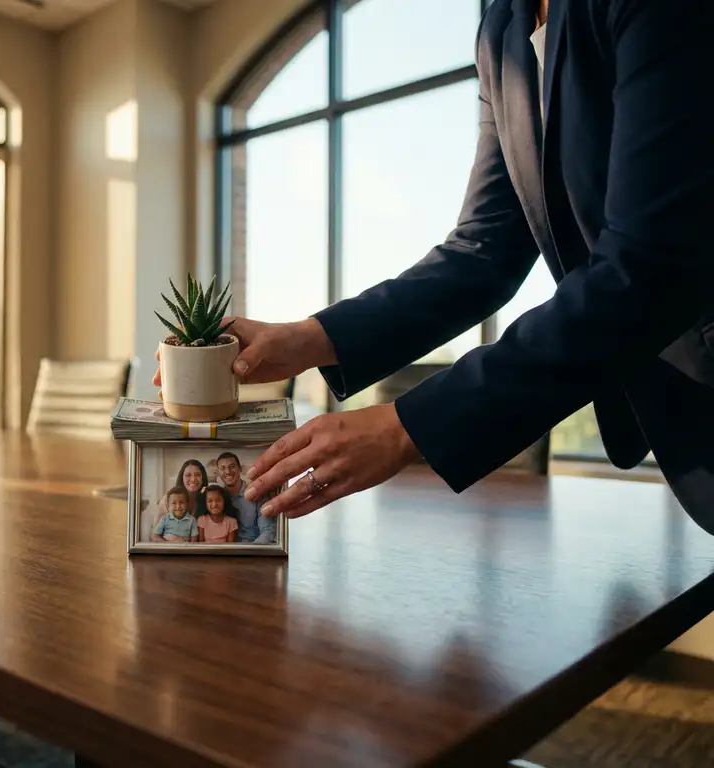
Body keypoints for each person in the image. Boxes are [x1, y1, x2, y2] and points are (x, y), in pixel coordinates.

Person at [156, 0, 714, 533]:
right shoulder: (501, 31)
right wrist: (305, 339)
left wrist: (408, 426)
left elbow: (647, 266)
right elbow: (484, 249)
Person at [215, 451, 276, 544]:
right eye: (223, 468)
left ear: (240, 469)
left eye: (232, 467)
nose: (227, 472)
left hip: (254, 551)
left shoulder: (257, 493)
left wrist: (250, 553)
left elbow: (268, 531)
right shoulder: (216, 499)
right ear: (218, 472)